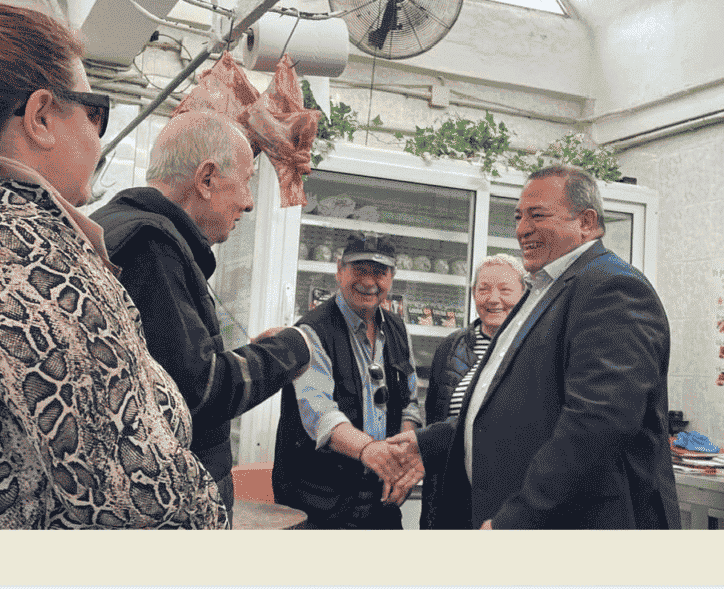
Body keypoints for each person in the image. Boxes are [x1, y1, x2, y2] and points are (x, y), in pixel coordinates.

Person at [0, 1, 225, 529]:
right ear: (41, 117)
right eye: (95, 111)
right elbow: (138, 495)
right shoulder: (41, 265)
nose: (98, 136)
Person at [390, 164, 681, 529]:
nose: (522, 229)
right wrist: (429, 443)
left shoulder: (611, 288)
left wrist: (520, 518)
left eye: (537, 215)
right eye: (518, 217)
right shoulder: (543, 290)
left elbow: (597, 426)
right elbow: (520, 409)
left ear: (586, 222)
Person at [90, 109, 313, 526]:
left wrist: (252, 355)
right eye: (246, 181)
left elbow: (170, 373)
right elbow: (199, 390)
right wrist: (289, 350)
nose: (249, 202)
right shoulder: (151, 249)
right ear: (206, 179)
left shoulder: (114, 227)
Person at [272, 232, 423, 529]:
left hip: (381, 500)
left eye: (379, 272)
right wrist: (371, 451)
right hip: (320, 502)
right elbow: (321, 416)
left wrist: (402, 458)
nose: (368, 281)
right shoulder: (312, 330)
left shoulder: (397, 329)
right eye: (359, 270)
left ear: (392, 278)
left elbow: (409, 404)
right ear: (339, 270)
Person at [420, 253, 526, 529]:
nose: (493, 299)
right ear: (473, 293)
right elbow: (434, 421)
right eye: (484, 289)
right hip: (451, 498)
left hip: (507, 500)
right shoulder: (450, 347)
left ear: (524, 295)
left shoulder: (533, 348)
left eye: (505, 290)